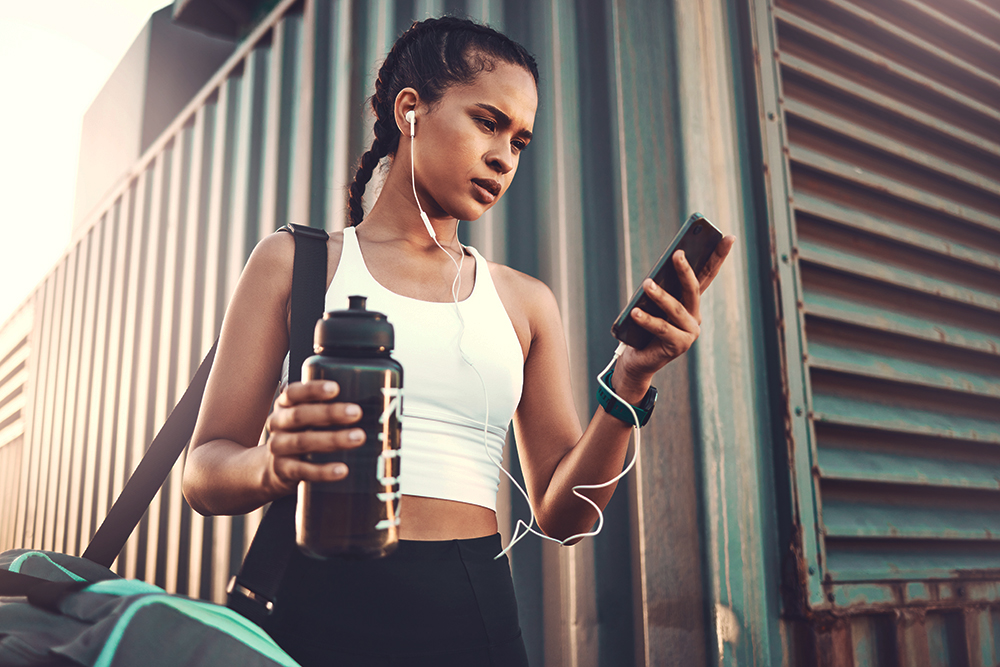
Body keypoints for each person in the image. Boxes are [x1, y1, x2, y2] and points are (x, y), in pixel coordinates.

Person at [182, 15, 734, 667]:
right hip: (311, 606)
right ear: (411, 111)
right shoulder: (294, 263)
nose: (505, 156)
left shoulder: (526, 303)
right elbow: (202, 472)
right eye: (488, 122)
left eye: (521, 141)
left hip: (472, 613)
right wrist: (270, 466)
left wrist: (630, 382)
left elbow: (566, 517)